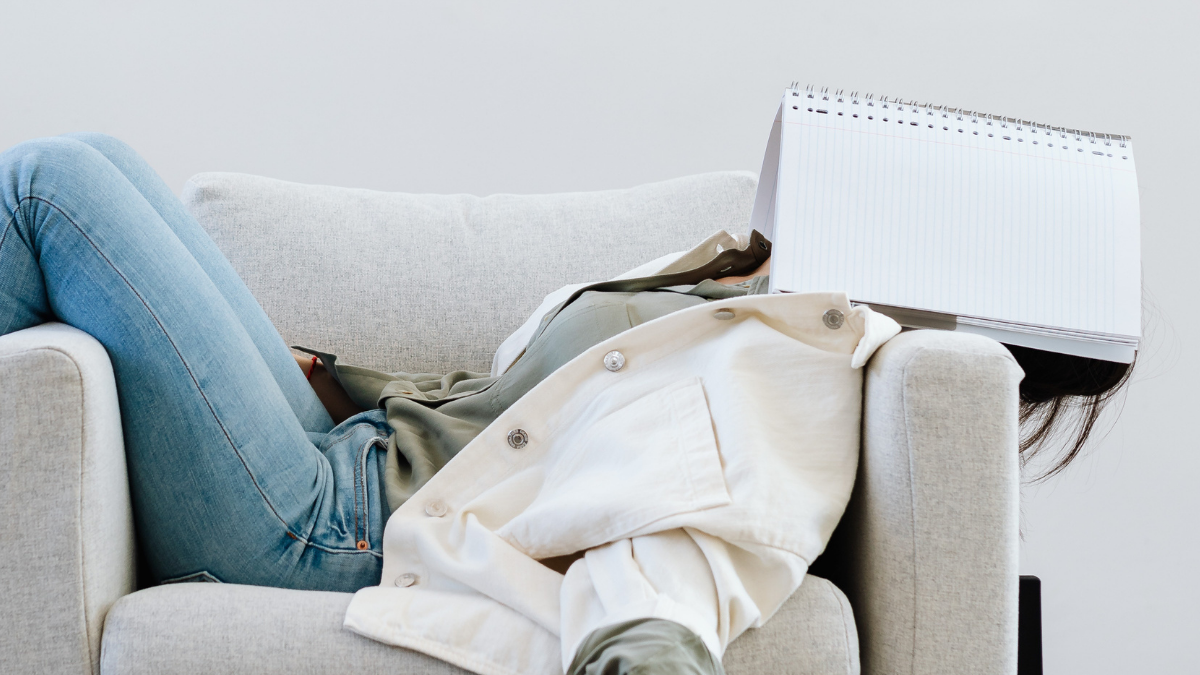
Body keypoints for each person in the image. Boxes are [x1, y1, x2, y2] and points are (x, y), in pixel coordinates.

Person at [0, 134, 1132, 674]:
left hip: (323, 524)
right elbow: (513, 416)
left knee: (49, 185)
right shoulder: (766, 291)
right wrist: (340, 375)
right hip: (340, 442)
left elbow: (685, 537)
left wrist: (646, 652)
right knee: (97, 157)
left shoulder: (805, 374)